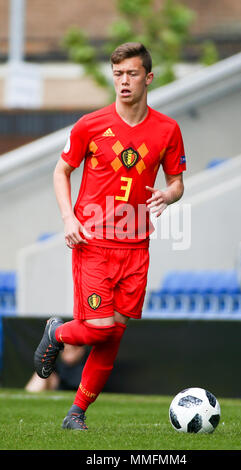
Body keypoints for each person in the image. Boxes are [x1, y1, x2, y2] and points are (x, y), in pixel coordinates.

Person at [34, 42, 186, 430]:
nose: (123, 81)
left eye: (131, 74)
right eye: (117, 74)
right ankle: (57, 332)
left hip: (136, 246)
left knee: (112, 336)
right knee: (98, 329)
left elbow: (177, 182)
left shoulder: (167, 129)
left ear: (147, 78)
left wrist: (168, 195)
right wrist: (69, 218)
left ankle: (76, 414)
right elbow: (60, 171)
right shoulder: (90, 124)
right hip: (94, 241)